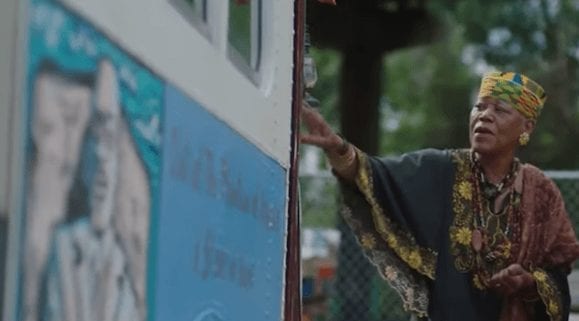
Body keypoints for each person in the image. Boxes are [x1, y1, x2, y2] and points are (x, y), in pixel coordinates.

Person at [301, 71, 579, 321]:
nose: (485, 116)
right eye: (479, 107)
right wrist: (338, 148)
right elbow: (376, 175)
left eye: (500, 110)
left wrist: (530, 283)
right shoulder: (440, 169)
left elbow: (558, 274)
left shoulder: (541, 192)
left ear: (526, 128)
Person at [41, 60, 139, 321]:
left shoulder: (120, 266)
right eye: (95, 140)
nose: (102, 158)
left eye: (109, 143)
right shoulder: (64, 247)